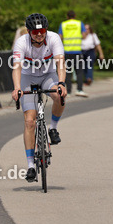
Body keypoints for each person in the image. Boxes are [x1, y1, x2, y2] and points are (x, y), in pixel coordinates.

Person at [12, 13, 67, 182]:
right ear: (28, 32)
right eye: (35, 32)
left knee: (59, 95)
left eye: (42, 30)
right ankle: (30, 166)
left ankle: (53, 127)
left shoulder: (54, 39)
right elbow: (16, 67)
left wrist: (62, 83)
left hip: (48, 75)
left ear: (46, 29)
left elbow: (60, 62)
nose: (39, 34)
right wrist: (17, 88)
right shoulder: (22, 42)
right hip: (28, 77)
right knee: (30, 121)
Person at [59, 10, 88, 97]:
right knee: (79, 72)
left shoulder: (63, 24)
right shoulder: (79, 24)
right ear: (75, 16)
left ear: (67, 16)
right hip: (77, 51)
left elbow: (60, 37)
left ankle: (69, 91)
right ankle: (79, 89)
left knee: (68, 72)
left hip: (67, 51)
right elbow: (84, 36)